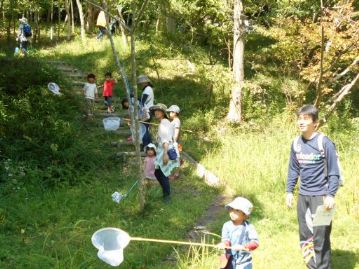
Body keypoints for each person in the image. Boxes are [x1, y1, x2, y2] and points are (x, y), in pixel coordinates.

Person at [285, 104, 340, 269]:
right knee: (306, 237)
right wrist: (289, 191)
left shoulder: (325, 143)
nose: (301, 122)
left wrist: (331, 194)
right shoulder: (296, 143)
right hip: (303, 196)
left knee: (320, 237)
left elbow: (334, 172)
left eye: (306, 119)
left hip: (322, 197)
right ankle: (311, 266)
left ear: (315, 123)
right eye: (299, 118)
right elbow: (293, 169)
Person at [219, 197, 259, 269]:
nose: (232, 212)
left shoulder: (249, 227)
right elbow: (226, 239)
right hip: (229, 261)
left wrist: (243, 247)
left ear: (245, 215)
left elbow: (255, 243)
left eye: (237, 210)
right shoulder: (226, 225)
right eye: (231, 209)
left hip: (244, 263)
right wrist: (224, 244)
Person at [150, 103, 179, 203]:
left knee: (162, 174)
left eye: (159, 111)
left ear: (163, 112)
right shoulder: (164, 122)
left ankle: (167, 197)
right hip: (162, 150)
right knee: (158, 173)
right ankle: (165, 193)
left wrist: (165, 154)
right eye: (155, 111)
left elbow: (166, 139)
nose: (156, 112)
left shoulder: (164, 123)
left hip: (164, 150)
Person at [138, 75, 154, 148]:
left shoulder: (147, 89)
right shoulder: (148, 89)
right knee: (146, 128)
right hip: (149, 110)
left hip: (147, 111)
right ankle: (149, 145)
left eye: (143, 83)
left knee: (144, 129)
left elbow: (143, 101)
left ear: (147, 83)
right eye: (141, 83)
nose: (142, 84)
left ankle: (146, 145)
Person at [167, 105, 181, 180]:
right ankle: (172, 172)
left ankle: (176, 174)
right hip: (171, 142)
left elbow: (176, 131)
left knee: (176, 158)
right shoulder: (173, 121)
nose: (169, 114)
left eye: (170, 112)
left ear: (175, 113)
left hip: (174, 142)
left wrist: (174, 141)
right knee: (172, 157)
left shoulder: (177, 121)